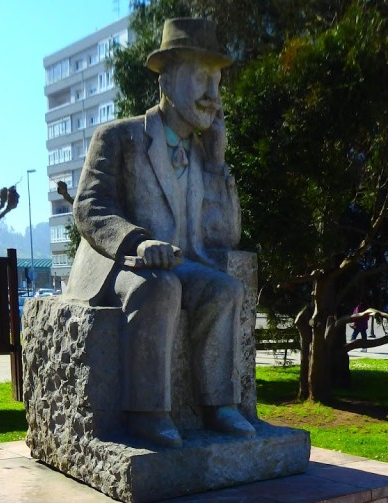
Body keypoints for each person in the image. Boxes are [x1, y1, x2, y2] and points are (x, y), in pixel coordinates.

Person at [63, 18, 255, 449]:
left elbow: (225, 236)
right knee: (160, 287)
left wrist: (217, 164)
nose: (213, 95)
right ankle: (148, 414)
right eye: (202, 79)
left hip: (184, 263)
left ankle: (219, 406)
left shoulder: (202, 154)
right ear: (167, 81)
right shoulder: (120, 137)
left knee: (224, 290)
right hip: (122, 265)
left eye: (217, 83)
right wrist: (137, 241)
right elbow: (89, 207)